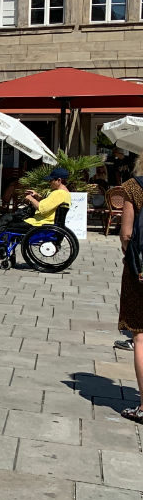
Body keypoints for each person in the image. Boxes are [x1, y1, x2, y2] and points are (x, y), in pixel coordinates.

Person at [0, 167, 72, 265]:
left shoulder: (59, 193)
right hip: (44, 222)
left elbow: (42, 208)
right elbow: (49, 204)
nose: (49, 183)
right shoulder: (65, 193)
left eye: (51, 180)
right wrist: (37, 196)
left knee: (8, 225)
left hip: (40, 224)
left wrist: (31, 199)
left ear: (59, 180)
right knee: (8, 218)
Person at [117, 161, 143, 420]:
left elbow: (126, 235)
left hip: (141, 272)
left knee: (140, 336)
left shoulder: (133, 188)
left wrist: (131, 257)